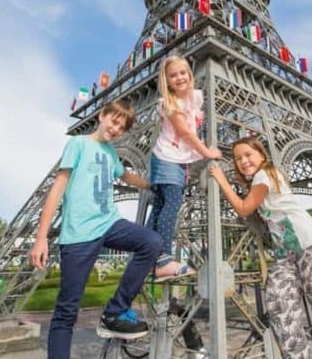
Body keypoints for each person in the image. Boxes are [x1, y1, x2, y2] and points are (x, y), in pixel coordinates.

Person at [30, 100, 163, 359]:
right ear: (102, 115)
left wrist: (151, 185)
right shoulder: (78, 144)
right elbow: (58, 187)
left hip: (109, 223)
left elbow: (125, 176)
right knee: (67, 311)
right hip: (78, 233)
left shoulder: (111, 152)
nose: (116, 129)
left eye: (122, 127)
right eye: (114, 121)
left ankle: (115, 309)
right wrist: (40, 238)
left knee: (151, 242)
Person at [209, 137, 312, 359]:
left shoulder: (265, 174)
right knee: (279, 303)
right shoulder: (261, 179)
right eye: (238, 158)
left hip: (308, 243)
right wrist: (246, 185)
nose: (243, 161)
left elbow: (244, 209)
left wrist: (222, 180)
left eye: (248, 154)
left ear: (262, 154)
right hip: (286, 252)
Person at [147, 55, 222, 280]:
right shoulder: (168, 104)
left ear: (189, 75)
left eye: (183, 73)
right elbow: (186, 133)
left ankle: (146, 254)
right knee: (170, 205)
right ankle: (163, 259)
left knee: (160, 208)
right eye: (173, 75)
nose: (179, 77)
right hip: (167, 159)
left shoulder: (195, 98)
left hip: (175, 161)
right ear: (166, 81)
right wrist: (208, 152)